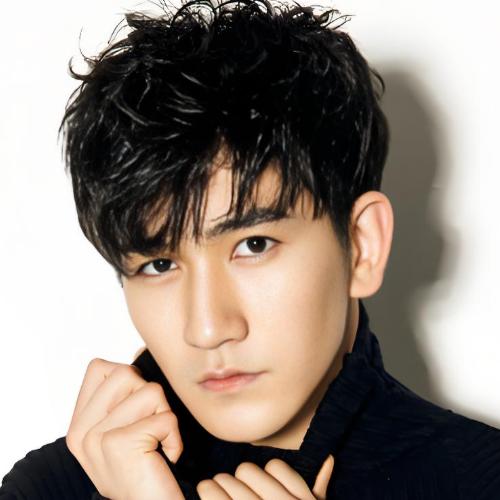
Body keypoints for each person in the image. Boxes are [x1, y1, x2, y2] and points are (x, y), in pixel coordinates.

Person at [1, 0, 500, 498]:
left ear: (362, 246)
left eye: (254, 245)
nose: (207, 329)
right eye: (159, 264)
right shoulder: (52, 489)